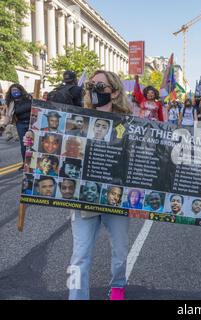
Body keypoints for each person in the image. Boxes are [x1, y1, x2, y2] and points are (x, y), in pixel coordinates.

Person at [68, 70, 132, 300]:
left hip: (116, 197)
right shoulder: (77, 118)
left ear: (114, 92)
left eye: (101, 87)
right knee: (79, 256)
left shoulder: (129, 123)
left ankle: (117, 287)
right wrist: (34, 140)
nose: (94, 91)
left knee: (120, 254)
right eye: (91, 86)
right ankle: (76, 297)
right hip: (84, 198)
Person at [5, 84, 32, 166]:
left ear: (20, 90)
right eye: (13, 90)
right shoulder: (11, 102)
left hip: (31, 124)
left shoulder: (28, 98)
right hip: (20, 124)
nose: (14, 92)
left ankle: (32, 164)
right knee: (24, 145)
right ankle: (25, 164)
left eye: (16, 90)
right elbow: (8, 115)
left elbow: (33, 107)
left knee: (32, 144)